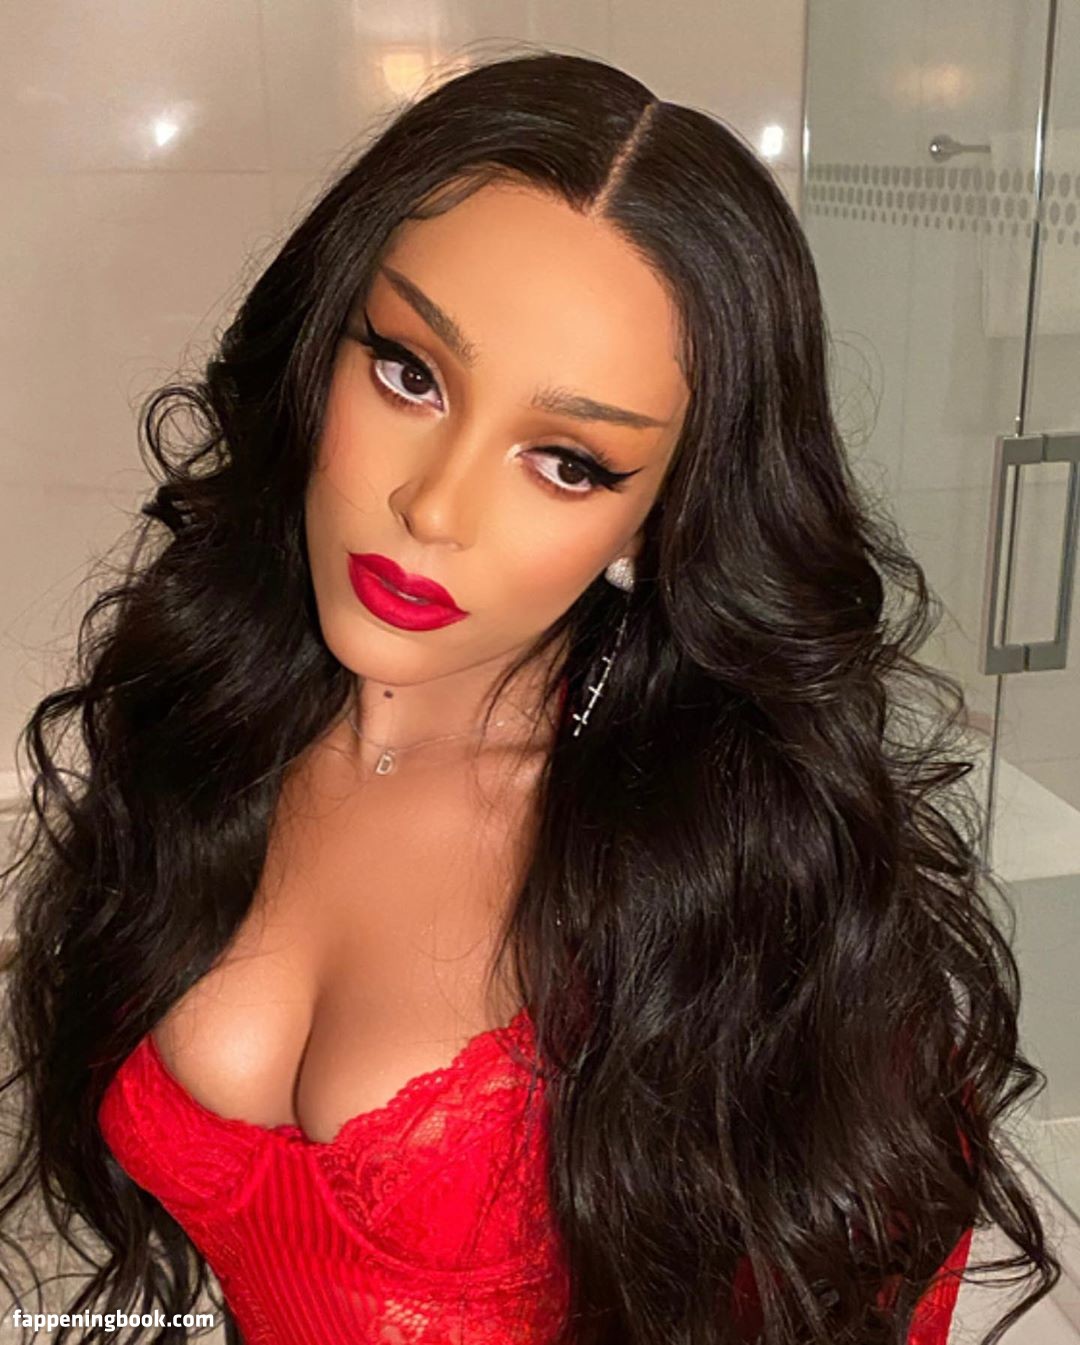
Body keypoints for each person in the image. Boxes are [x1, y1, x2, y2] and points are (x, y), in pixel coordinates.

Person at [0, 48, 1059, 1345]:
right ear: (322, 345)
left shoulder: (725, 869)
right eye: (410, 374)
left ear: (661, 514)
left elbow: (871, 1284)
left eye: (566, 460)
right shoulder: (225, 705)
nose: (434, 506)